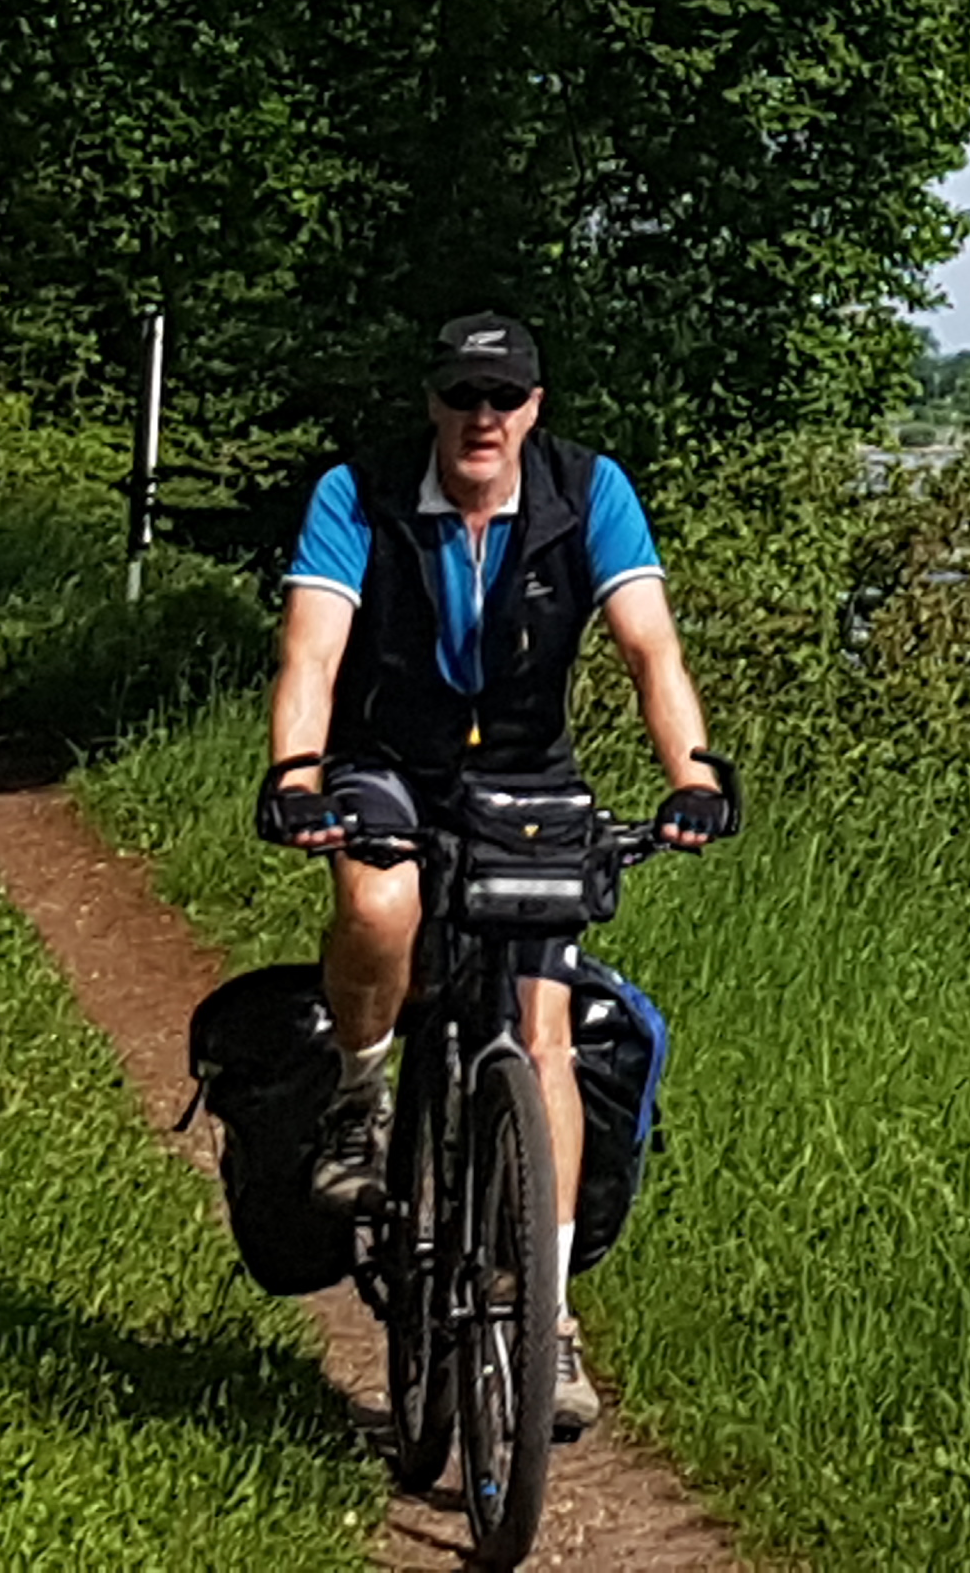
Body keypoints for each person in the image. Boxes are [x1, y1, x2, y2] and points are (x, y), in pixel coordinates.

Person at [254, 310, 736, 1442]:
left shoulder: (588, 492)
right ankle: (361, 1098)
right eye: (464, 397)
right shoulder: (359, 495)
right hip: (389, 761)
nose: (484, 418)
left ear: (534, 407)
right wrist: (295, 775)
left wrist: (694, 774)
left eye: (504, 398)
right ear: (433, 402)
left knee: (545, 1034)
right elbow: (311, 651)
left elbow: (650, 646)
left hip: (526, 776)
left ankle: (548, 1317)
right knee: (379, 903)